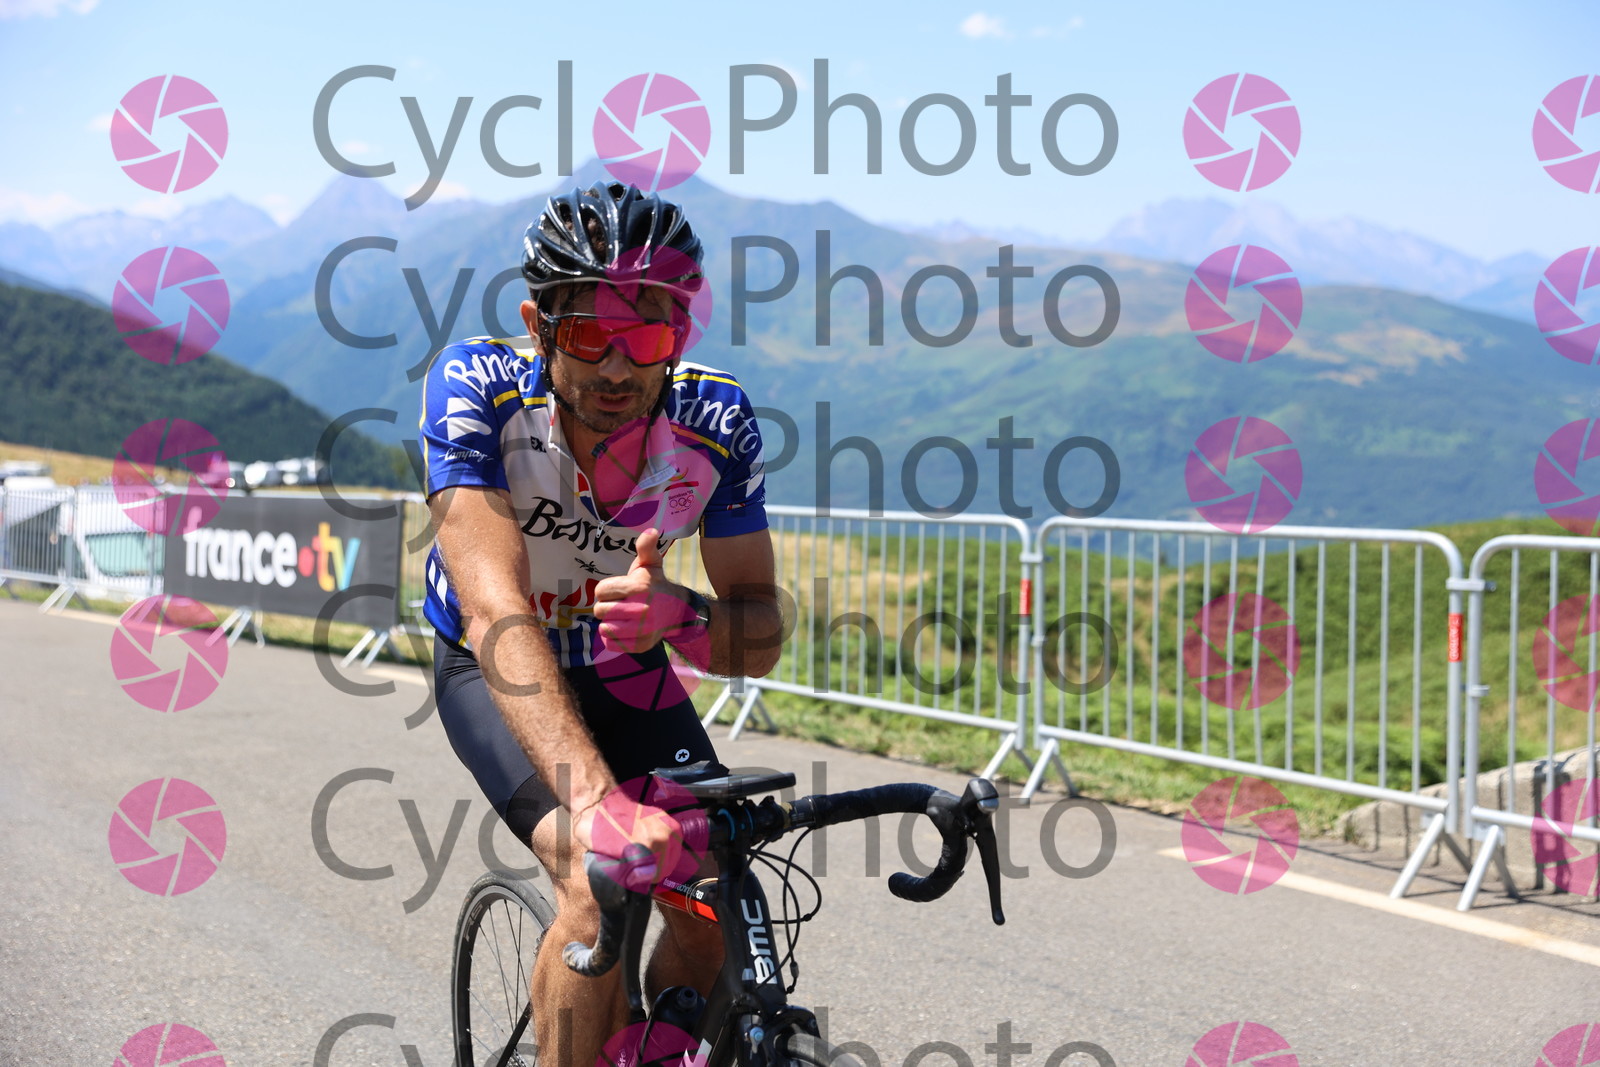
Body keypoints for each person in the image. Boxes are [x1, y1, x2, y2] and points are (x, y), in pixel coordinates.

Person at [419, 180, 784, 1067]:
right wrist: (596, 806)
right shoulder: (476, 388)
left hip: (626, 667)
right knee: (596, 878)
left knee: (714, 892)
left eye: (647, 337)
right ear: (538, 326)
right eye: (589, 335)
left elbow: (760, 634)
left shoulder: (717, 424)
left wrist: (683, 615)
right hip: (495, 662)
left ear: (680, 338)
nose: (618, 369)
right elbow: (497, 612)